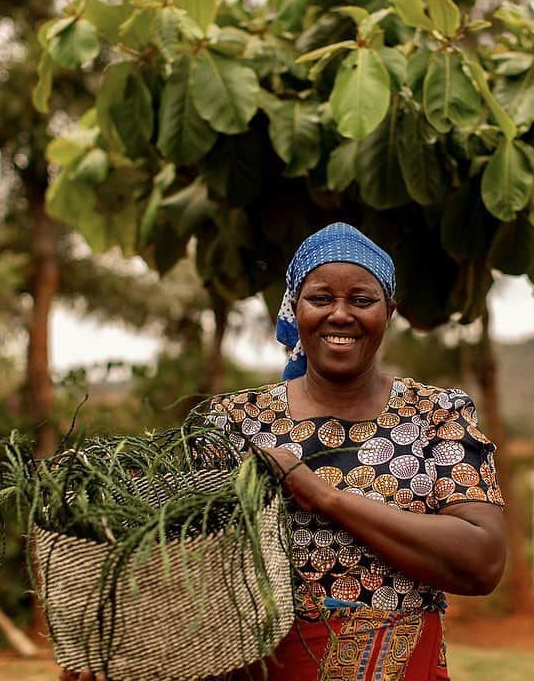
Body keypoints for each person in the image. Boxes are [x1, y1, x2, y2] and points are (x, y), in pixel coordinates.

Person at [62, 222, 506, 680]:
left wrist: (324, 496)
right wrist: (108, 641)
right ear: (295, 309)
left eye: (361, 299)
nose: (340, 314)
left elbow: (483, 562)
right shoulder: (233, 423)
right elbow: (180, 563)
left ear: (388, 312)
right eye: (320, 298)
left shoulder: (436, 416)